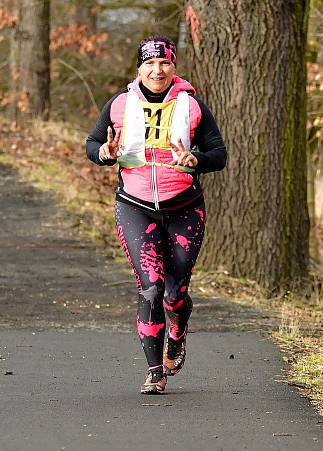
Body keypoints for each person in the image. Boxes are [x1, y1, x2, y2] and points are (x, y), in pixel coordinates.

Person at [85, 35, 227, 394]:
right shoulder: (119, 104)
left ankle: (177, 334)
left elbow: (219, 154)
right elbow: (92, 144)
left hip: (184, 208)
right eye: (149, 63)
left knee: (174, 293)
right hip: (135, 206)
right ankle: (154, 372)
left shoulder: (192, 106)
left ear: (173, 67)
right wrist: (104, 151)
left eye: (164, 63)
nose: (157, 70)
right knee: (150, 290)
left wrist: (196, 160)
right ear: (139, 68)